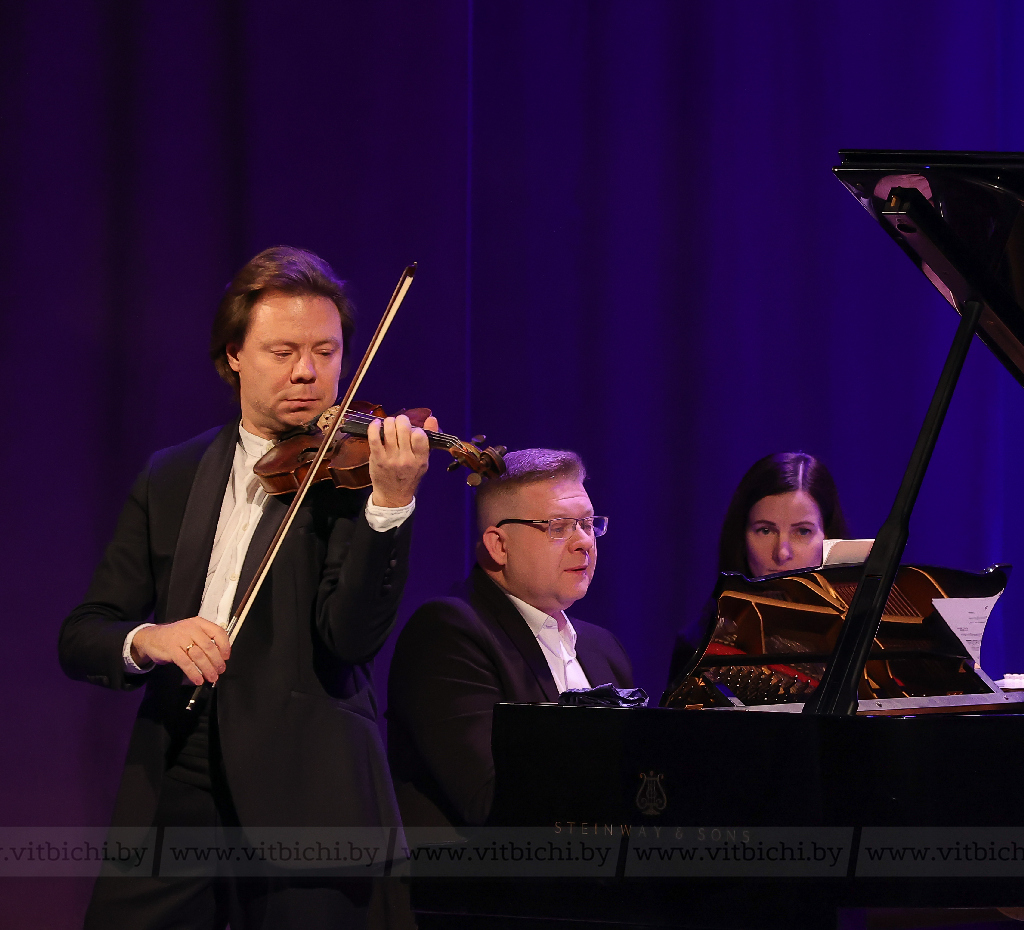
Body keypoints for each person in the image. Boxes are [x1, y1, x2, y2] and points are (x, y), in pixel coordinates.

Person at [58, 246, 436, 929]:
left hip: (308, 784)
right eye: (282, 351)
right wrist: (150, 639)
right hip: (178, 771)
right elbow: (85, 632)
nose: (307, 371)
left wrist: (389, 506)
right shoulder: (170, 475)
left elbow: (351, 639)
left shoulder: (359, 475)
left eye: (326, 351)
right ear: (234, 354)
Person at [386, 449, 634, 830]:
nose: (584, 541)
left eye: (587, 523)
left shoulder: (604, 649)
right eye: (559, 527)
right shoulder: (448, 633)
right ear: (499, 546)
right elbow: (491, 798)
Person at [666, 451, 849, 687]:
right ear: (742, 538)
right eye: (765, 530)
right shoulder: (699, 642)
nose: (782, 553)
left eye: (803, 531)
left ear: (829, 538)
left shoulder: (861, 637)